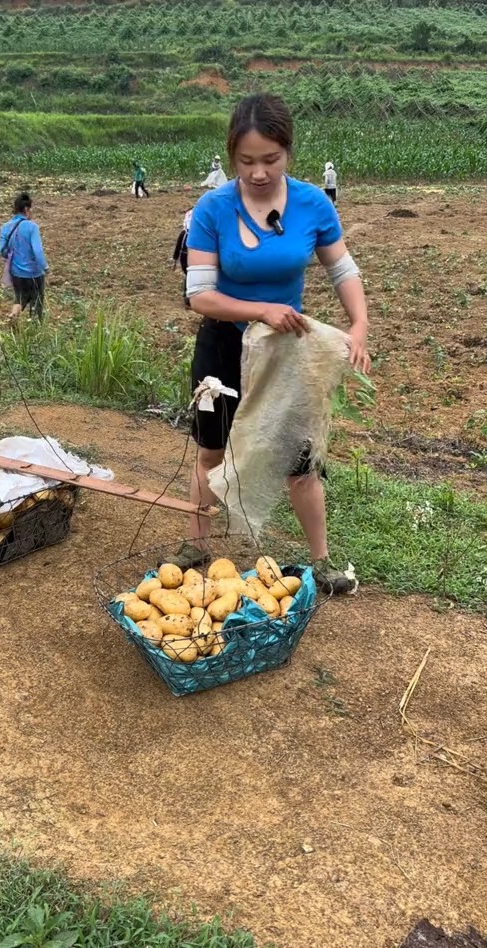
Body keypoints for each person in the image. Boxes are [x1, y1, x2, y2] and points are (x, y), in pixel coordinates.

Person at [173, 93, 370, 594]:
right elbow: (199, 295)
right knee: (212, 453)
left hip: (286, 354)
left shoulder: (312, 203)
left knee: (300, 465)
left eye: (270, 160)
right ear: (231, 156)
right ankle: (196, 544)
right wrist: (261, 310)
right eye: (246, 161)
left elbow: (341, 268)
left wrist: (359, 326)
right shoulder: (212, 208)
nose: (258, 172)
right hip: (223, 346)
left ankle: (322, 562)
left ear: (288, 153)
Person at [0, 191, 47, 320]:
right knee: (37, 301)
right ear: (26, 209)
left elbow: (2, 250)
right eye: (31, 209)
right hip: (34, 273)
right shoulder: (32, 227)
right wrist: (45, 267)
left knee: (19, 298)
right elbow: (37, 251)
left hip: (16, 272)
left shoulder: (5, 227)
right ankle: (35, 327)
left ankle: (13, 316)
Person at [172, 208, 193, 307]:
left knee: (189, 275)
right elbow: (178, 247)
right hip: (187, 256)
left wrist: (175, 260)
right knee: (190, 275)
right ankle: (188, 295)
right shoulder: (186, 234)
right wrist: (175, 260)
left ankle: (188, 295)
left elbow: (177, 247)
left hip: (185, 256)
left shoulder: (184, 233)